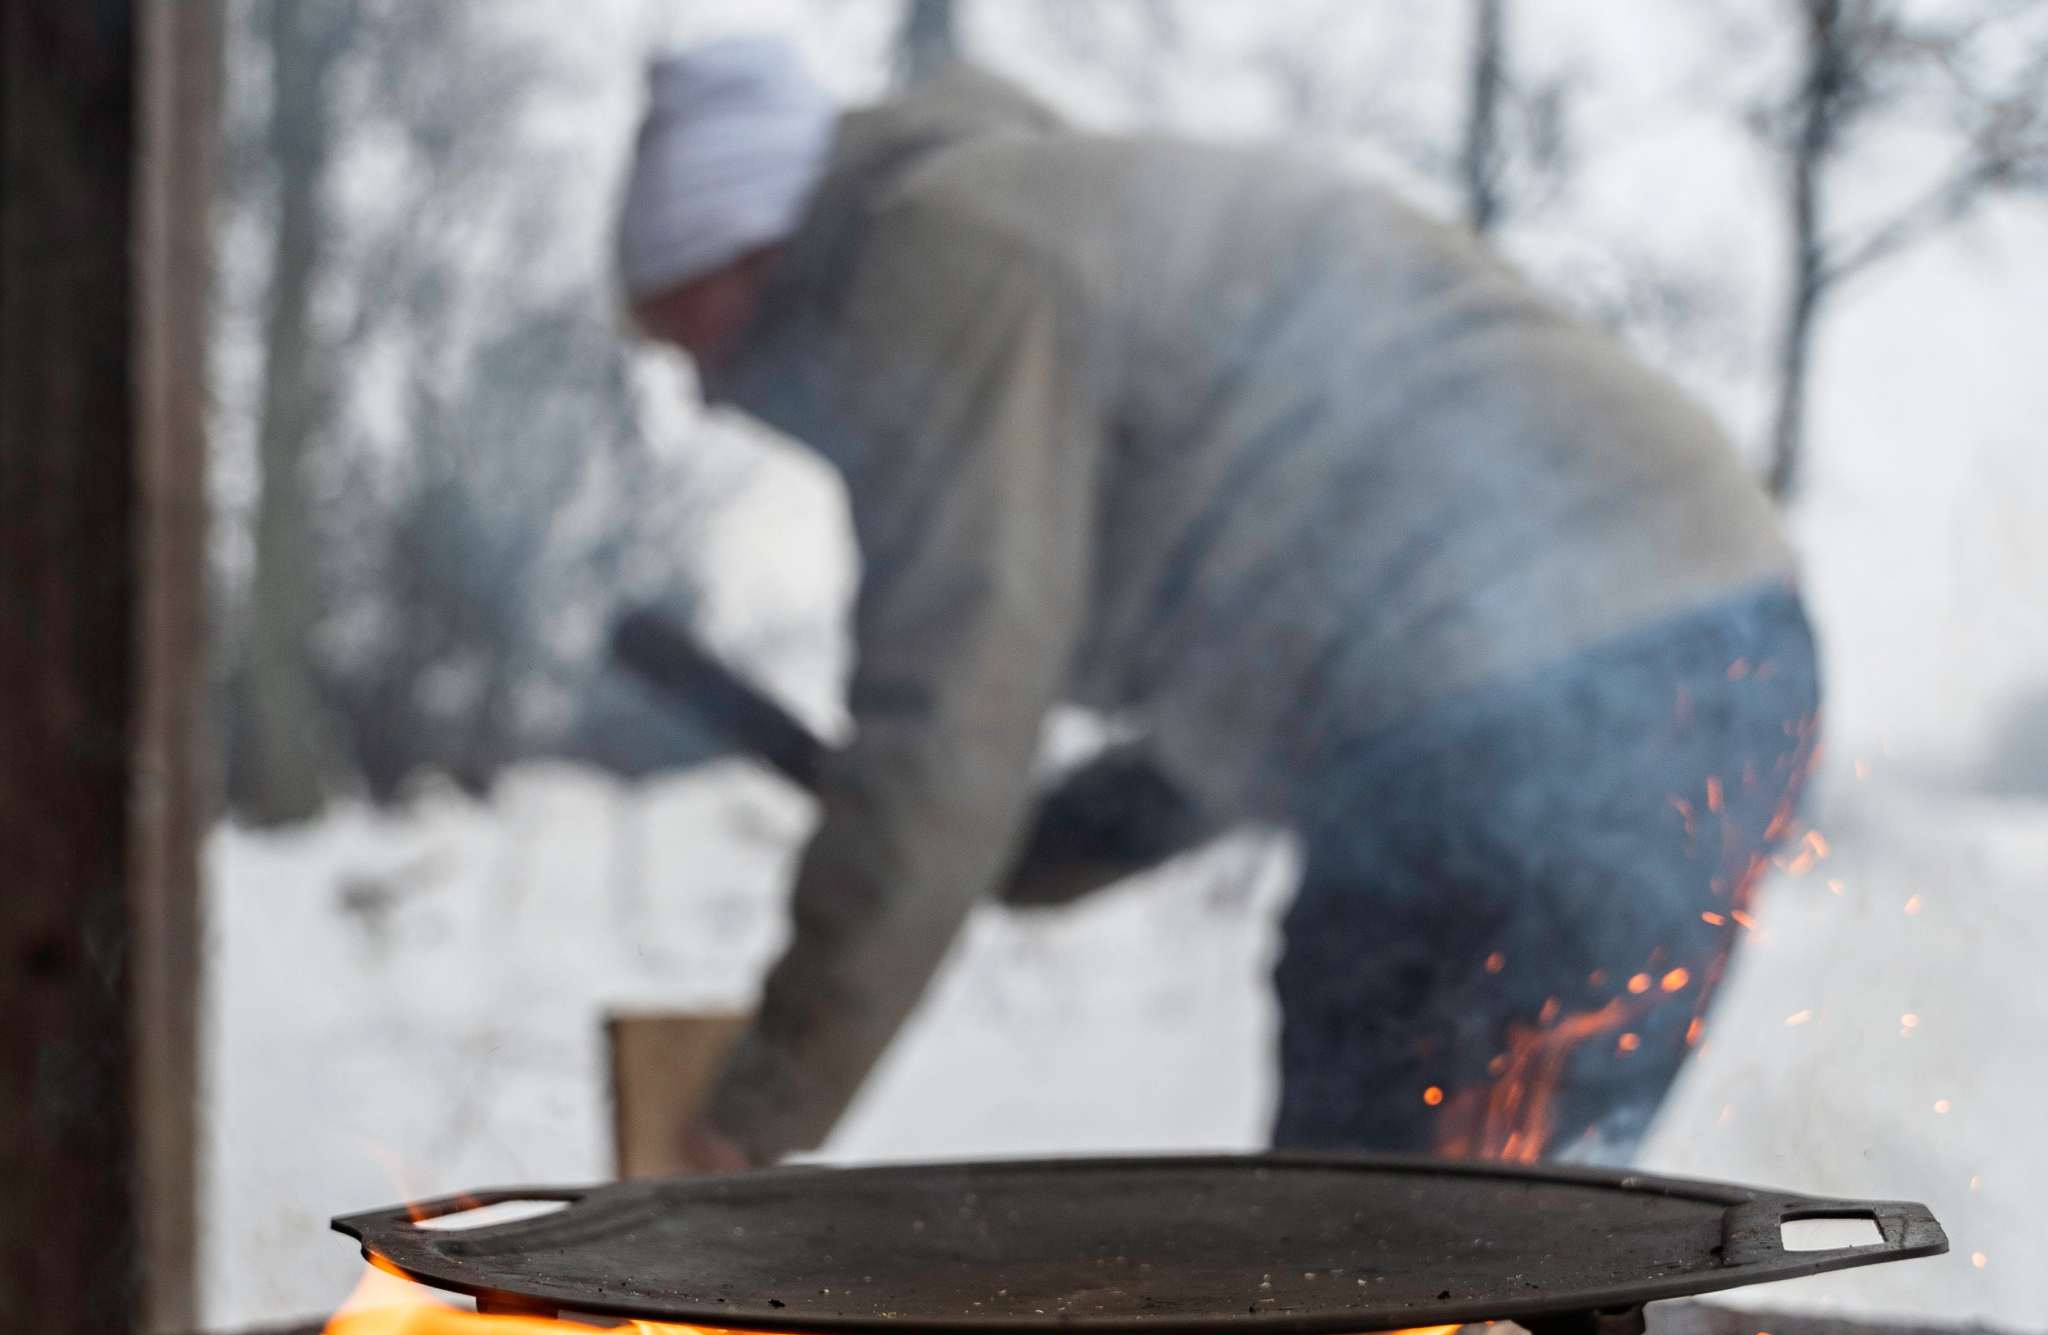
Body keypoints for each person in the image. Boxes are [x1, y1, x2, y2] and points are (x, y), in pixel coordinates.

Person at [616, 37, 1818, 1172]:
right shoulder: (1042, 220)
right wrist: (1051, 838)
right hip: (1713, 660)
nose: (707, 388)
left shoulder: (940, 257)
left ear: (744, 247)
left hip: (1544, 692)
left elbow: (947, 718)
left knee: (1372, 1267)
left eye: (686, 331)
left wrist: (738, 1125)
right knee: (1495, 1273)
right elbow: (1277, 628)